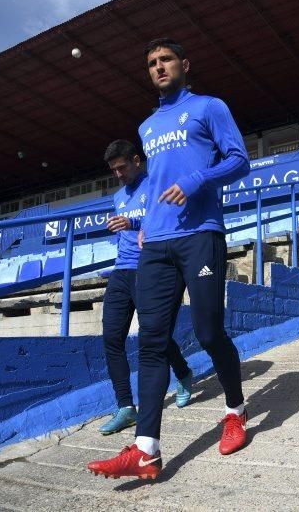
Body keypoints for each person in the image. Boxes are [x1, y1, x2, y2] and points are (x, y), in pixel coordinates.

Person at [88, 38, 250, 480]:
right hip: (155, 243)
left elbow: (240, 161)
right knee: (152, 341)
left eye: (166, 60)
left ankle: (235, 411)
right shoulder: (146, 126)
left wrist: (198, 179)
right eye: (152, 63)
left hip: (200, 235)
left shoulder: (209, 107)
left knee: (207, 329)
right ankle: (146, 449)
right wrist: (144, 225)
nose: (159, 67)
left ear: (185, 64)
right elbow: (153, 184)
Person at [96, 139, 194, 437]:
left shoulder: (157, 184)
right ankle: (126, 407)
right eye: (113, 170)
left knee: (154, 335)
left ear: (137, 160)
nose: (119, 175)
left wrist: (134, 222)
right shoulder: (117, 197)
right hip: (121, 270)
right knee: (112, 338)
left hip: (151, 268)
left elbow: (165, 218)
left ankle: (184, 373)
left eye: (122, 167)